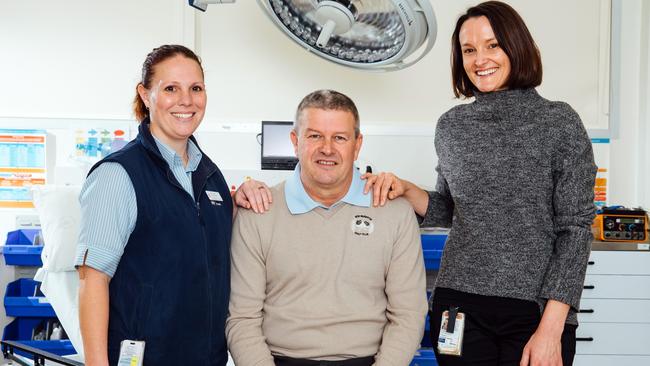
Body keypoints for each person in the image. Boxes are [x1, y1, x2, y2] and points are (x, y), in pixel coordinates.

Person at [363, 2, 597, 365]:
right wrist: (409, 191)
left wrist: (552, 328)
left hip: (535, 312)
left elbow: (576, 229)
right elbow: (454, 209)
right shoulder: (451, 126)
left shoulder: (559, 122)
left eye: (492, 45)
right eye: (468, 50)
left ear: (516, 47)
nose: (479, 59)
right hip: (459, 305)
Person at [75, 44, 270, 366]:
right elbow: (92, 279)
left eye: (196, 88)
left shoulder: (211, 176)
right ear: (145, 94)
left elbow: (199, 241)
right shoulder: (118, 175)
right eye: (170, 88)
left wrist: (237, 203)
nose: (186, 101)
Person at [226, 90, 428, 366]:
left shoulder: (395, 213)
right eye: (315, 136)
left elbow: (408, 314)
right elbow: (242, 319)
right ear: (295, 142)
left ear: (357, 145)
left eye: (340, 138)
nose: (327, 149)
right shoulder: (258, 212)